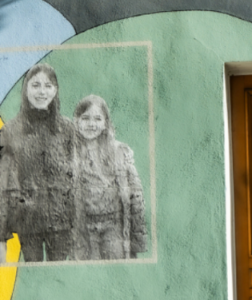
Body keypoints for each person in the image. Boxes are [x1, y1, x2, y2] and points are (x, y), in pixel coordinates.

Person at [0, 63, 77, 261]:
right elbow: (3, 183)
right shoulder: (11, 130)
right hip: (27, 223)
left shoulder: (68, 129)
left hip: (61, 224)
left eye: (48, 85)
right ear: (25, 89)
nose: (42, 92)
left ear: (56, 90)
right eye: (35, 85)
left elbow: (77, 178)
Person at [72, 95, 147, 261]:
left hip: (114, 225)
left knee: (116, 266)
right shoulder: (70, 154)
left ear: (105, 123)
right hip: (85, 228)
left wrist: (137, 239)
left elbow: (136, 192)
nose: (91, 124)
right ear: (76, 121)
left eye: (97, 119)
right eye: (85, 118)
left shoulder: (120, 152)